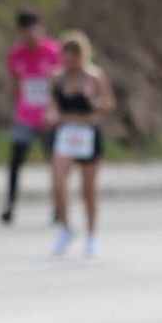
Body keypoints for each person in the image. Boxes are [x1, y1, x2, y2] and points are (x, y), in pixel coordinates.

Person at [49, 30, 115, 258]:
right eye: (67, 56)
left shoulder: (94, 76)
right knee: (57, 185)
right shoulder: (57, 78)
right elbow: (53, 104)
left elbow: (108, 103)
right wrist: (50, 115)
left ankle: (91, 235)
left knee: (87, 191)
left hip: (87, 131)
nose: (71, 61)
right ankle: (66, 228)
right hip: (66, 132)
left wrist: (94, 101)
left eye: (75, 56)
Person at [1, 8, 62, 225]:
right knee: (16, 161)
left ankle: (58, 205)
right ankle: (10, 205)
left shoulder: (53, 52)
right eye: (26, 31)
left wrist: (55, 111)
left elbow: (60, 86)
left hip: (48, 116)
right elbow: (15, 85)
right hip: (24, 115)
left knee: (54, 163)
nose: (31, 35)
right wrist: (15, 109)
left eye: (35, 30)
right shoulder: (16, 54)